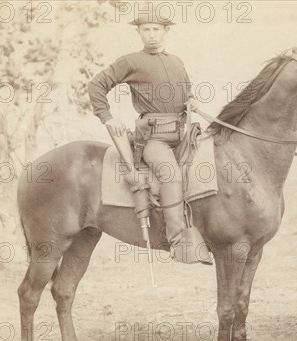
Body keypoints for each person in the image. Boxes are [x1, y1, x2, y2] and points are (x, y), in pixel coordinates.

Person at [88, 14, 211, 265]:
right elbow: (96, 85)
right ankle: (178, 241)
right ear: (139, 33)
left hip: (184, 135)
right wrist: (107, 117)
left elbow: (186, 91)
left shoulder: (176, 61)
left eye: (156, 29)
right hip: (154, 140)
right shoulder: (131, 62)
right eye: (146, 30)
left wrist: (192, 99)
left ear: (166, 30)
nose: (151, 34)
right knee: (170, 174)